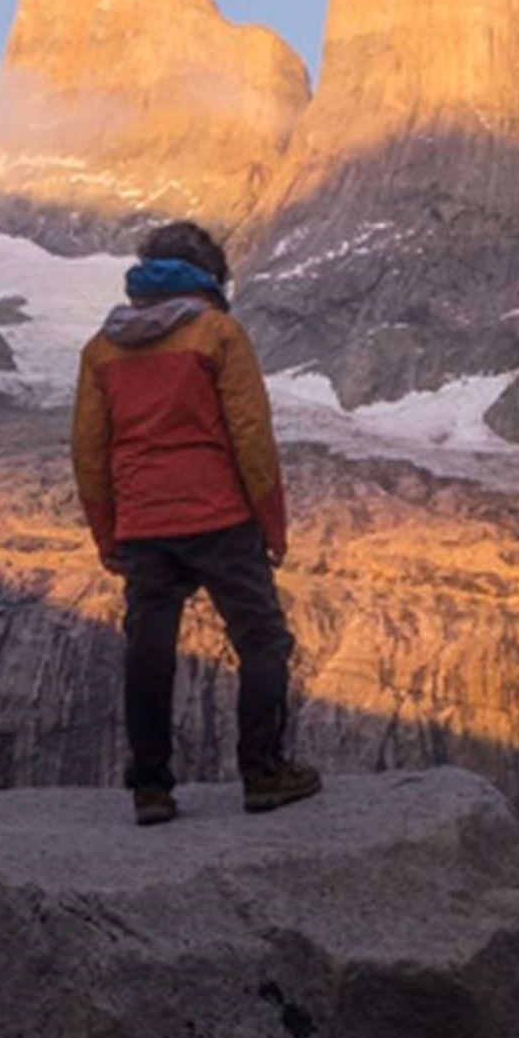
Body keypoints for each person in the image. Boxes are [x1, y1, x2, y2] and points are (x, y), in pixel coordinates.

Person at [70, 220, 321, 824]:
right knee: (261, 639)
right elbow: (251, 436)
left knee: (149, 647)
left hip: (143, 523)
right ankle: (264, 773)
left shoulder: (101, 349)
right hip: (220, 516)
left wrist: (109, 534)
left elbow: (88, 451)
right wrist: (271, 524)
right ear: (210, 277)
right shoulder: (218, 333)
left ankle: (150, 787)